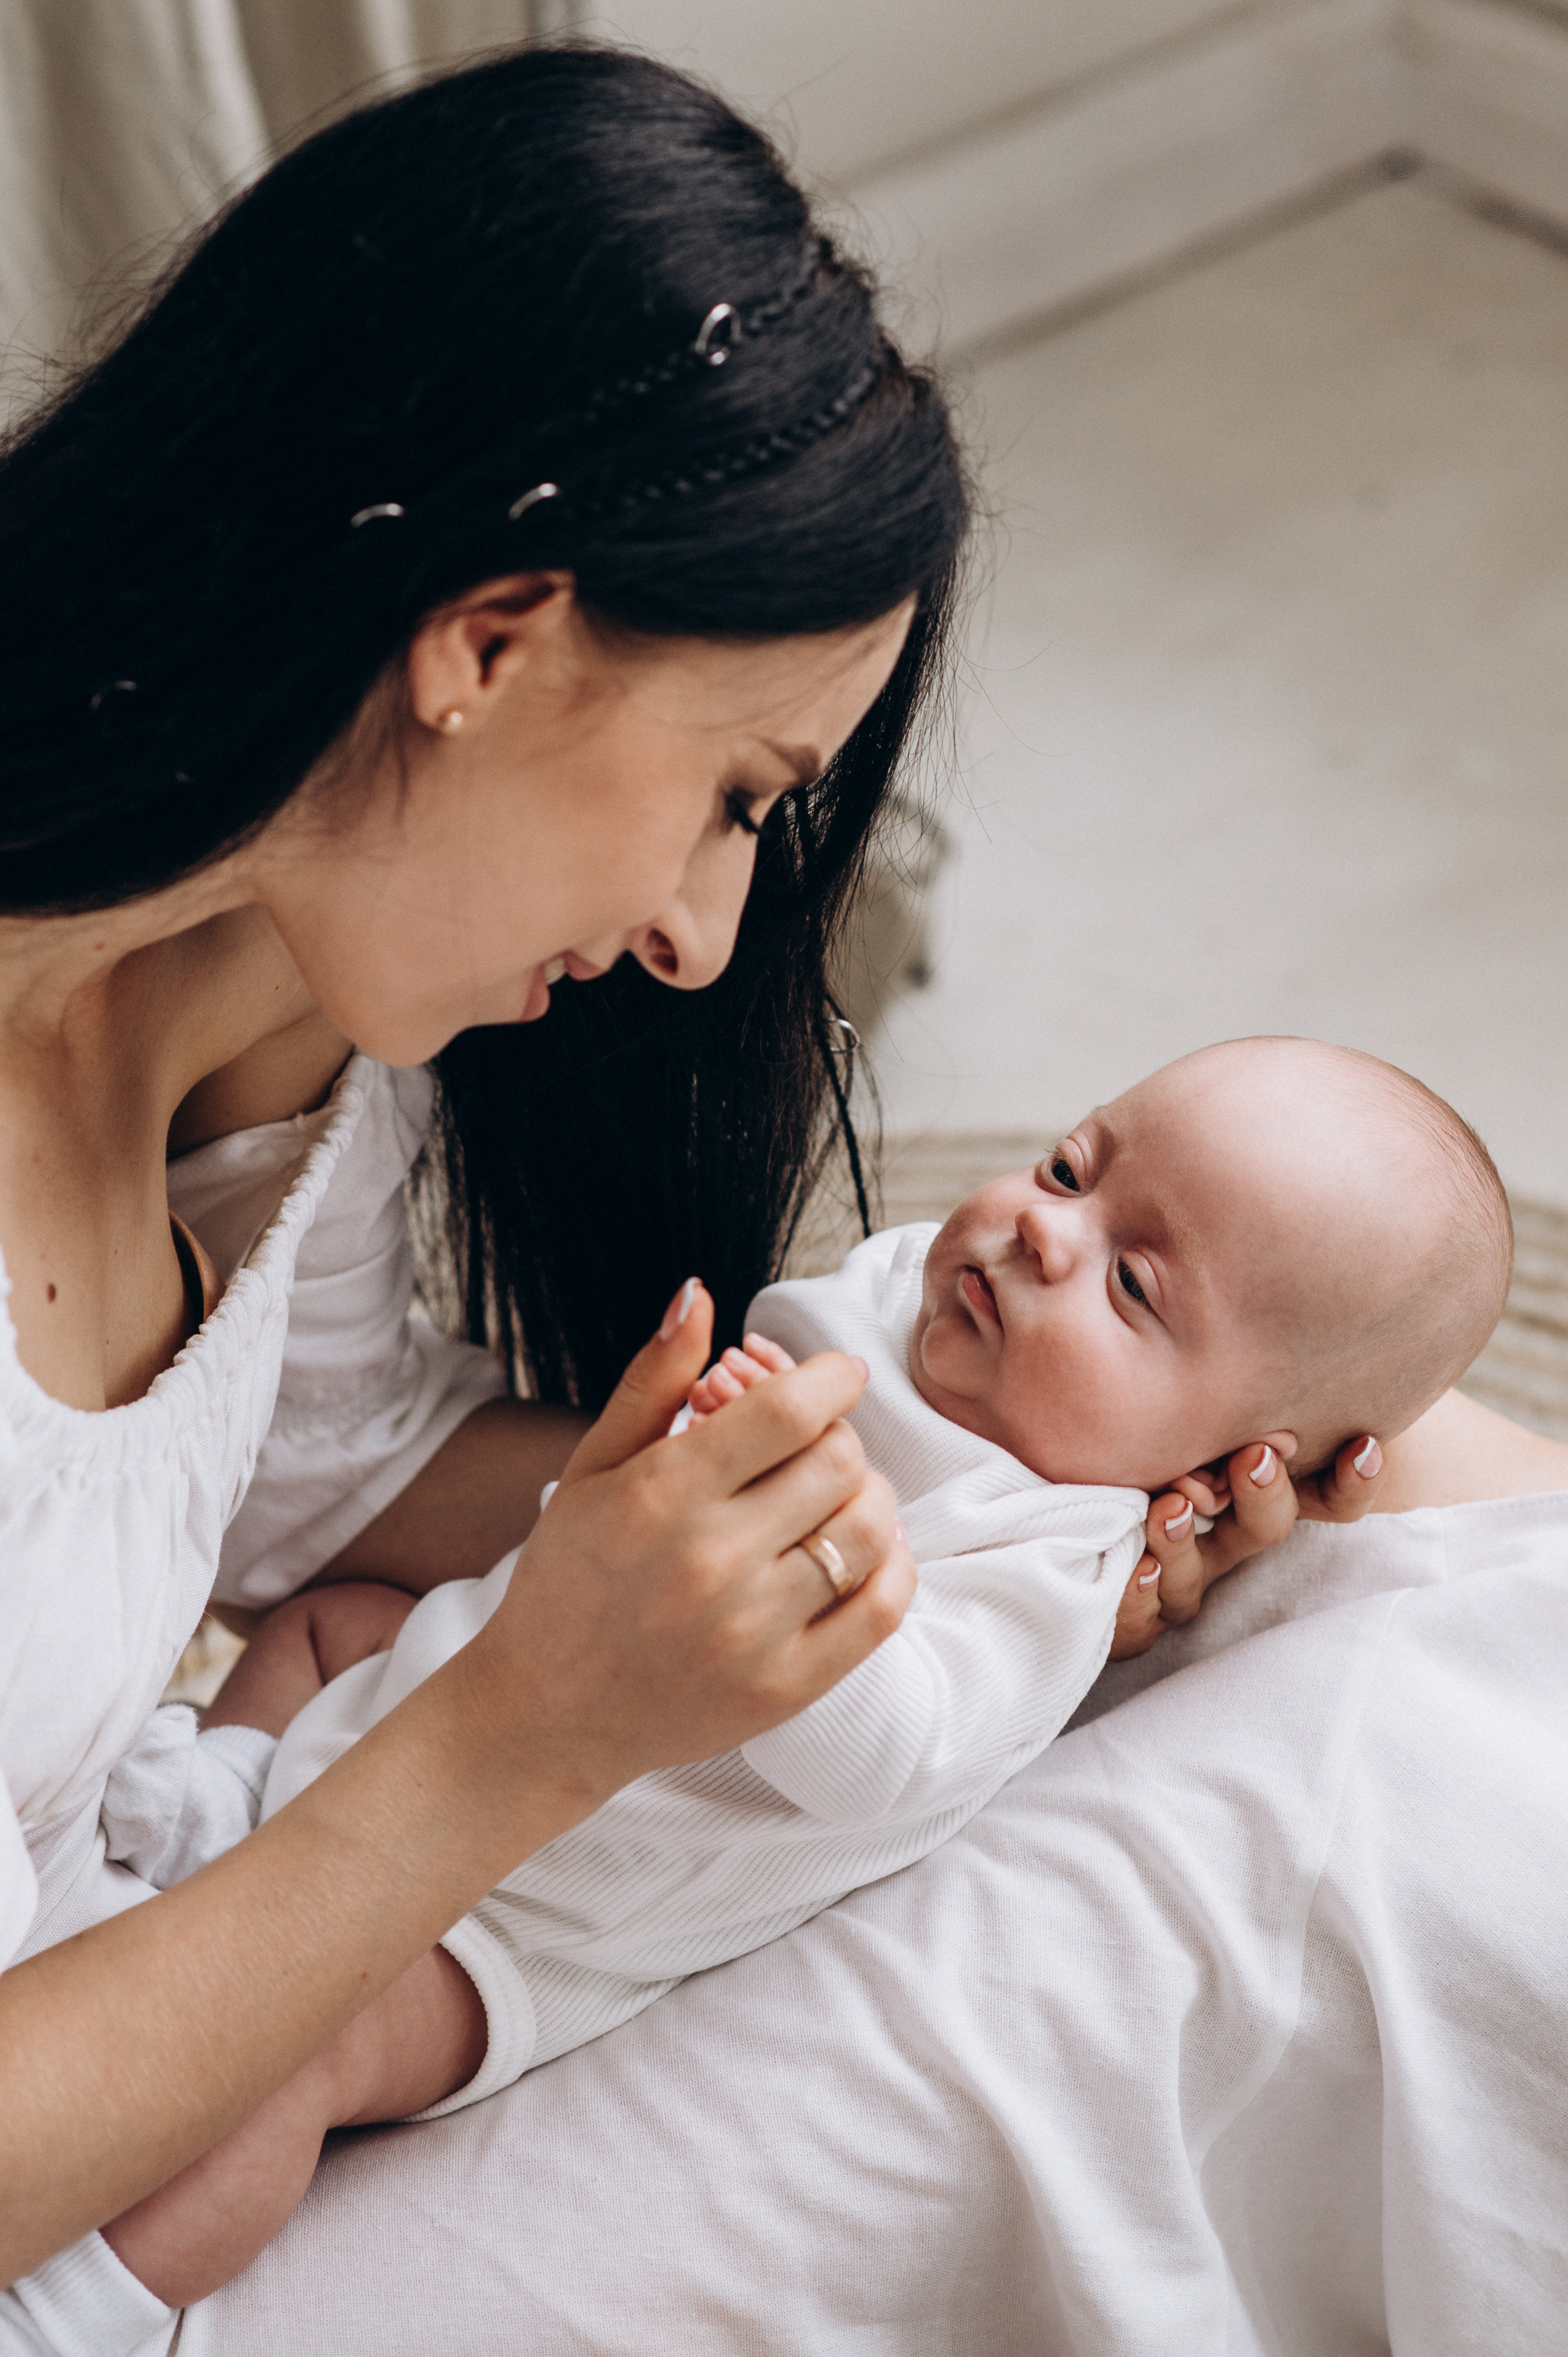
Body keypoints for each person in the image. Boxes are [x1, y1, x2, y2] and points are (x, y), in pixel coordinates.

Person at [0, 42, 984, 2352]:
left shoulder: (258, 1005)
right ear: (491, 639)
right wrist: (518, 1739)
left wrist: (954, 1497)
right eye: (739, 797)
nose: (707, 939)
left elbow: (318, 1477)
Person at [91, 1034, 1513, 2304]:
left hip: (511, 1922)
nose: (1039, 1233)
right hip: (440, 1688)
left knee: (292, 2066)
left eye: (1132, 1284)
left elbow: (889, 1756)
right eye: (1070, 1164)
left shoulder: (1050, 1566)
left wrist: (808, 1561)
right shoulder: (930, 1296)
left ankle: (97, 2305)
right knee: (327, 1623)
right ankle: (223, 1801)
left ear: (1216, 1470)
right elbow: (795, 1330)